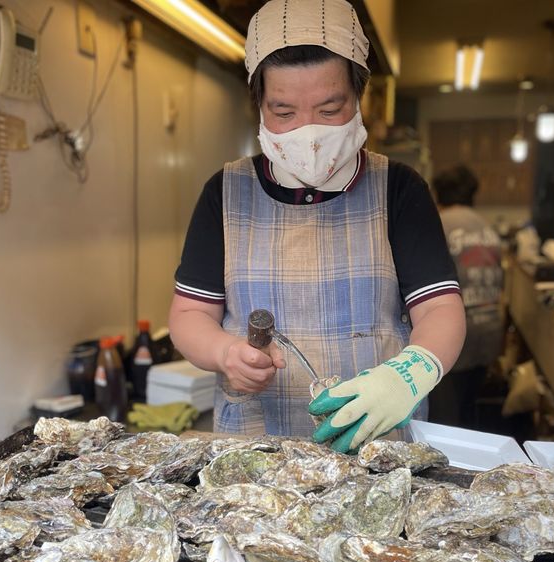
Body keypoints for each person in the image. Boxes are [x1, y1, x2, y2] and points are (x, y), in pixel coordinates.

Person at [168, 0, 465, 453]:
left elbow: (440, 310)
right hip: (255, 451)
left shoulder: (398, 190)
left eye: (329, 110)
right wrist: (225, 353)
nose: (307, 132)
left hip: (375, 447)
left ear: (359, 97)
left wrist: (407, 376)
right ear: (259, 107)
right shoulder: (225, 193)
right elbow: (190, 316)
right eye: (284, 113)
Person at [428, 165, 503, 428]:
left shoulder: (439, 223)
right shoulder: (487, 227)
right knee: (470, 408)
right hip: (490, 329)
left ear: (438, 194)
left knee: (446, 417)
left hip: (459, 332)